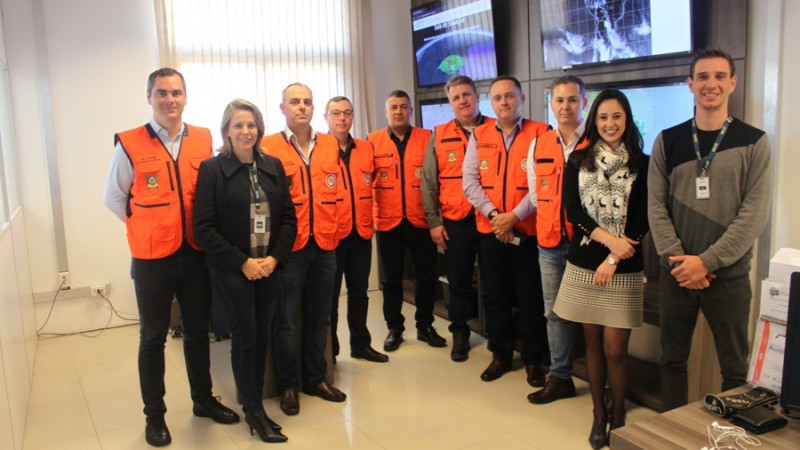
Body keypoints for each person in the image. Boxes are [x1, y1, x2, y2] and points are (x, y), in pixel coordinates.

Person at [103, 68, 239, 447]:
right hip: (152, 259)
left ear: (185, 97)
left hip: (195, 253)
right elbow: (114, 198)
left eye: (176, 92)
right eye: (162, 93)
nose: (170, 100)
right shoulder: (129, 143)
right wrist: (149, 226)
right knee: (152, 338)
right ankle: (155, 417)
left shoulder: (202, 138)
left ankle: (202, 400)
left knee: (198, 332)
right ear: (149, 97)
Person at [648, 49, 771, 411]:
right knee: (672, 361)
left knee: (735, 370)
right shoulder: (667, 141)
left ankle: (733, 435)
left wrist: (707, 262)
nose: (711, 84)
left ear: (732, 83)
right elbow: (656, 207)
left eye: (719, 76)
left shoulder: (755, 141)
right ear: (690, 85)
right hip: (677, 274)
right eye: (702, 77)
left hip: (729, 276)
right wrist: (681, 264)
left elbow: (753, 215)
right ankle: (670, 433)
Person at [193, 99, 296, 443]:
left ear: (259, 129)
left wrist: (274, 259)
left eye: (251, 125)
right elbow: (204, 229)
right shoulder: (212, 169)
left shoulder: (273, 166)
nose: (245, 131)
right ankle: (253, 410)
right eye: (238, 125)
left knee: (262, 336)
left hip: (269, 267)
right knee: (245, 338)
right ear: (226, 130)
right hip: (232, 270)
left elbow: (287, 220)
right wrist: (242, 262)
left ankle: (255, 406)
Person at [553, 88, 649, 449]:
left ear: (627, 120)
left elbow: (641, 219)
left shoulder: (643, 162)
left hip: (624, 266)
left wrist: (613, 257)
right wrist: (608, 243)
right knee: (591, 344)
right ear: (595, 120)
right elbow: (573, 212)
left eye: (617, 117)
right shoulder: (578, 161)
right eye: (604, 117)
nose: (610, 124)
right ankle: (598, 412)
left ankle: (618, 411)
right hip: (583, 263)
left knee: (615, 349)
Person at [261, 82, 346, 417]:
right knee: (286, 321)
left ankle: (316, 378)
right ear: (282, 108)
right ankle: (289, 385)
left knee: (320, 317)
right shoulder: (268, 147)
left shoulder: (329, 144)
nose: (302, 107)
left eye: (307, 102)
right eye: (294, 102)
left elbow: (336, 191)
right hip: (290, 248)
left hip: (325, 245)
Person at [462, 75, 549, 386]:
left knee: (530, 297)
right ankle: (500, 355)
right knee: (495, 295)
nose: (504, 102)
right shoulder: (480, 134)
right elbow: (469, 182)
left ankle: (533, 359)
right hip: (491, 231)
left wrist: (514, 216)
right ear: (491, 102)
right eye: (497, 98)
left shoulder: (541, 133)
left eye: (509, 96)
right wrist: (496, 216)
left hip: (526, 231)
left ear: (521, 98)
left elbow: (543, 182)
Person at [421, 75, 494, 362]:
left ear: (477, 96)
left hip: (490, 218)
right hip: (456, 219)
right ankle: (460, 332)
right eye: (456, 97)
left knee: (493, 280)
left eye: (467, 94)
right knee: (459, 280)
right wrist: (434, 222)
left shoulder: (495, 128)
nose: (462, 101)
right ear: (450, 103)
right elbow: (428, 181)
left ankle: (496, 334)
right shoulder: (438, 134)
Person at [525, 76, 589, 404]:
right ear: (551, 104)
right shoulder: (539, 143)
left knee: (593, 316)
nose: (566, 107)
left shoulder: (596, 143)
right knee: (555, 313)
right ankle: (561, 377)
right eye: (560, 100)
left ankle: (601, 380)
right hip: (549, 242)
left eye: (572, 100)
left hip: (587, 246)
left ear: (584, 103)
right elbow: (535, 194)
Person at [368, 90, 446, 352]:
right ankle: (394, 328)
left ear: (411, 111)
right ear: (385, 112)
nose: (399, 111)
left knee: (426, 277)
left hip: (421, 221)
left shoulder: (427, 138)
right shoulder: (372, 141)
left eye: (404, 107)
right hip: (388, 223)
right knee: (391, 280)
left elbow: (438, 179)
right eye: (394, 107)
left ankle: (425, 325)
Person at [325, 96, 388, 363]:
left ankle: (360, 344)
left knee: (359, 293)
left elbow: (372, 184)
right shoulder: (318, 149)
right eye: (336, 113)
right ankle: (331, 351)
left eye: (347, 113)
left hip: (361, 232)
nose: (342, 118)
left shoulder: (366, 148)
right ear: (326, 118)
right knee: (329, 298)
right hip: (332, 235)